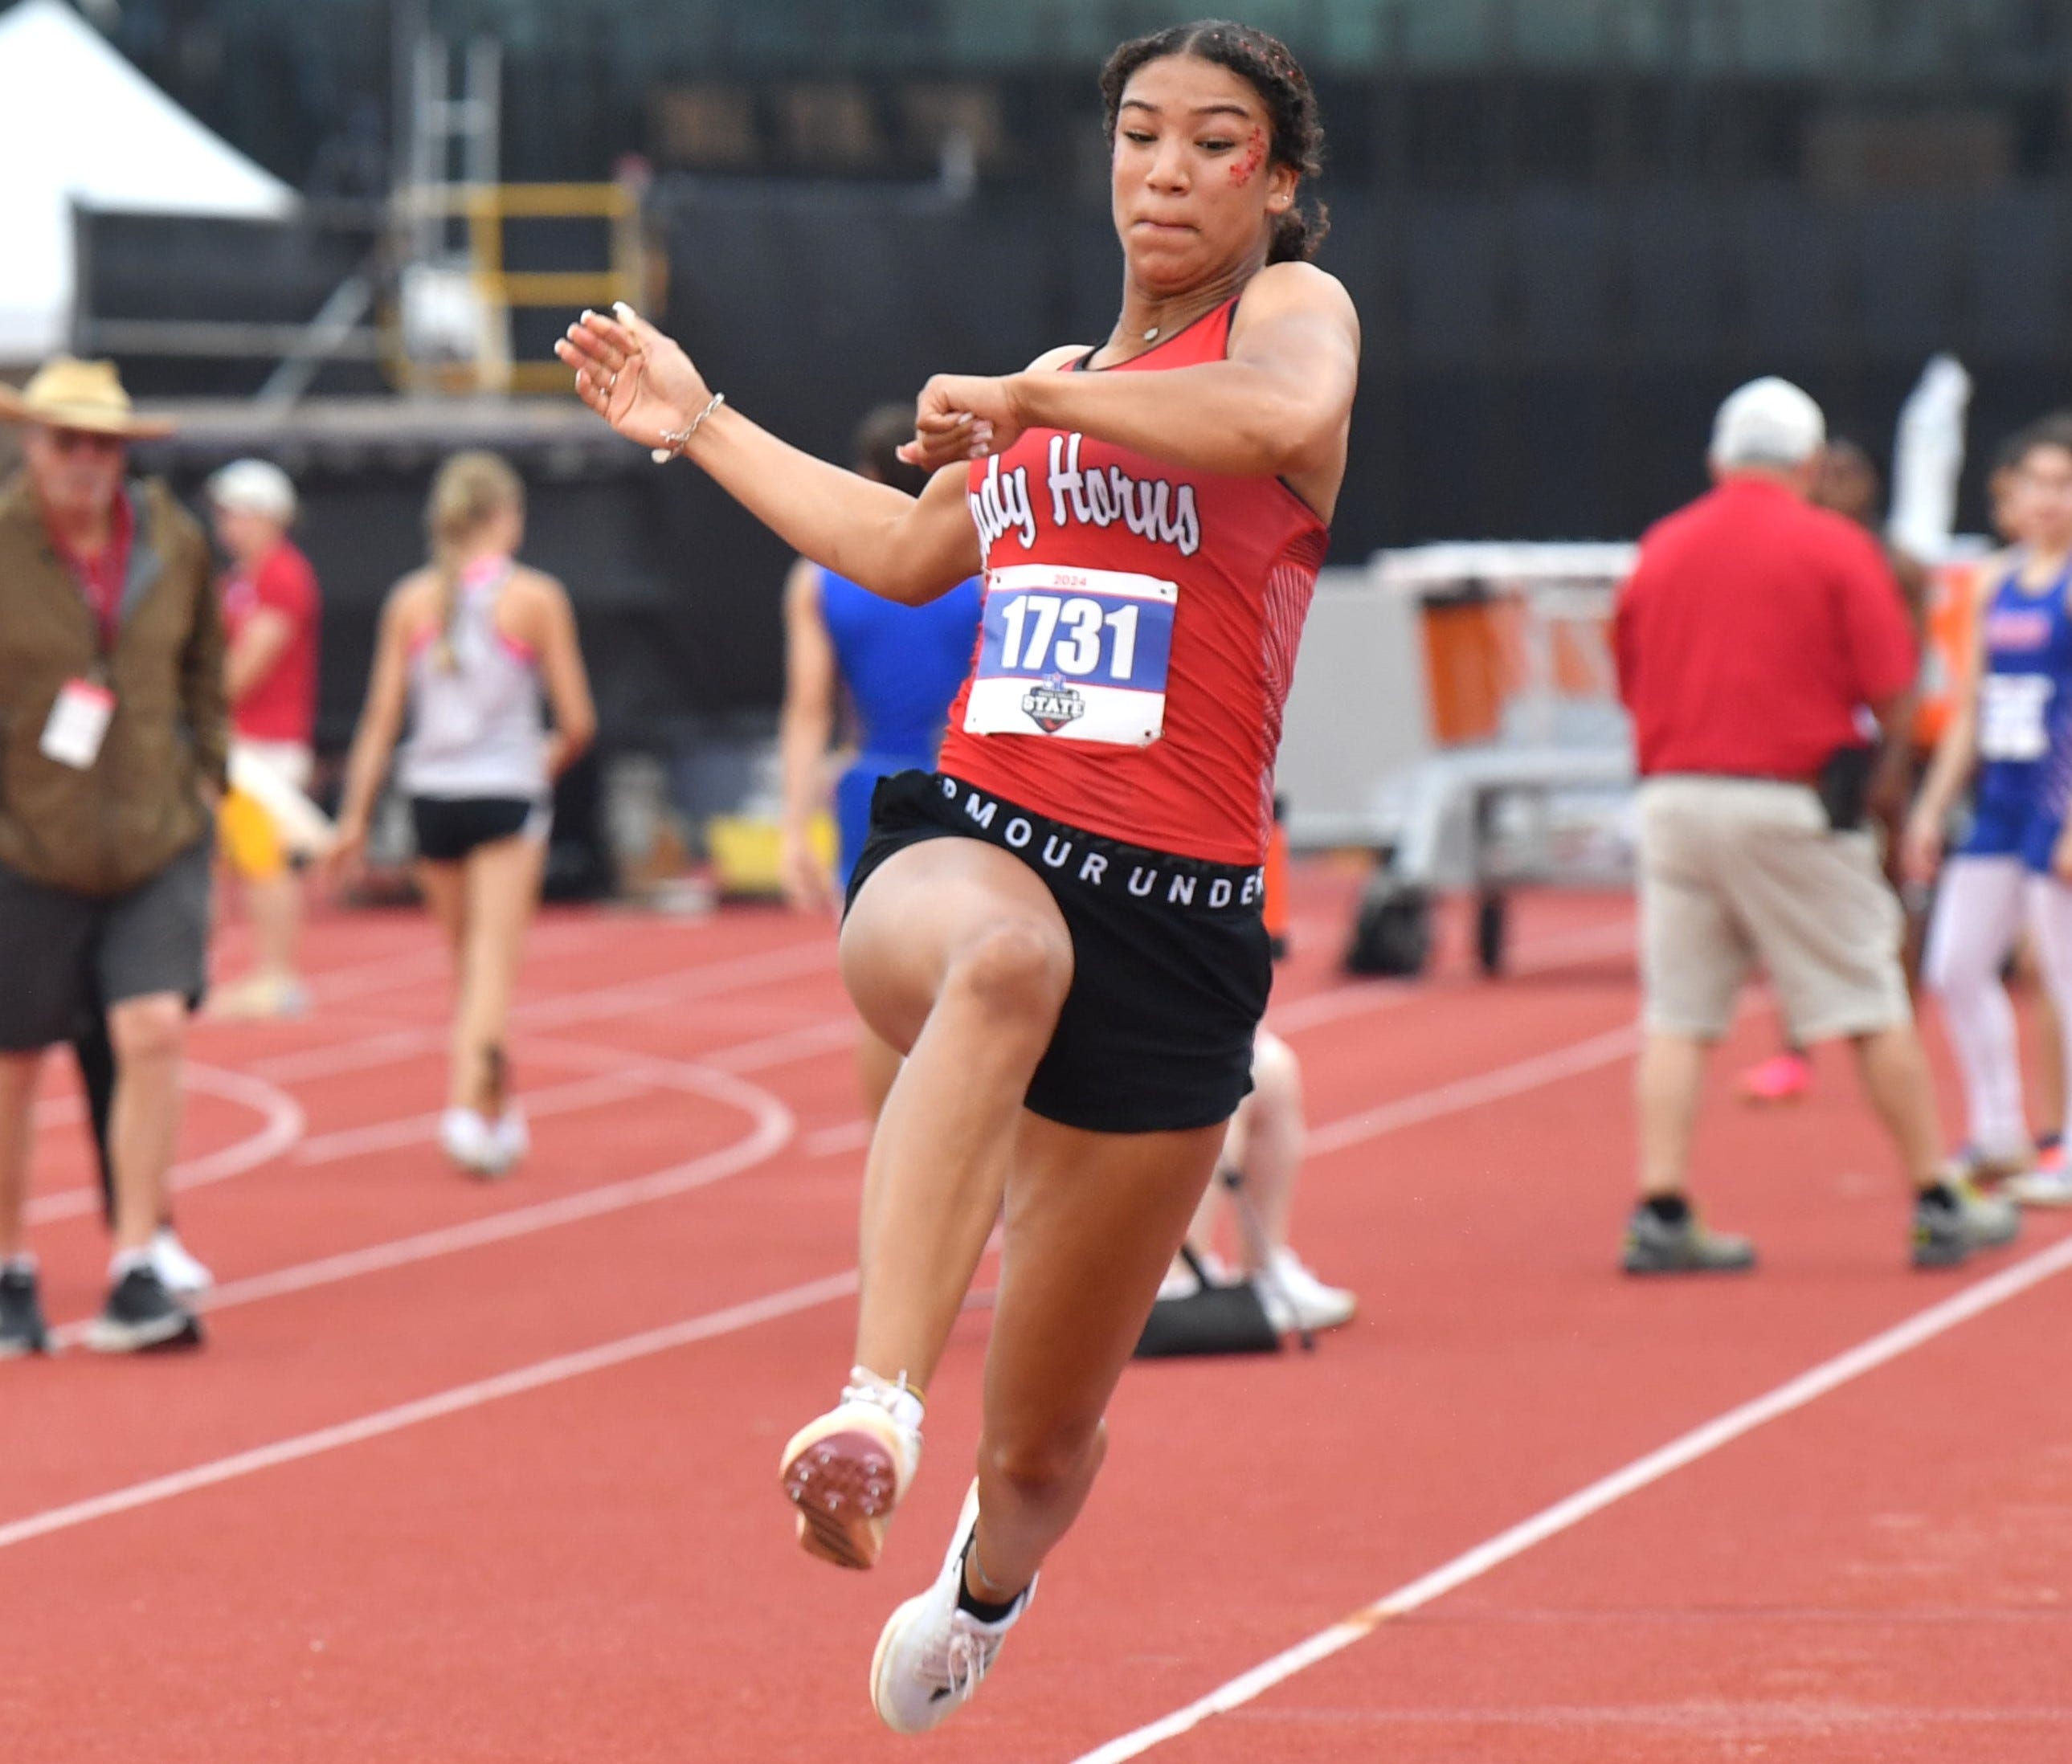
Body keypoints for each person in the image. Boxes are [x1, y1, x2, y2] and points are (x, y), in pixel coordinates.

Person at [560, 18, 1358, 1730]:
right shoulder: (1055, 381)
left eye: (1210, 143)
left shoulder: (1281, 323)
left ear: (1270, 181)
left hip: (1183, 920)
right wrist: (696, 421)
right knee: (1001, 965)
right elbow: (905, 550)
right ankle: (870, 1413)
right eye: (1137, 133)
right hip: (979, 843)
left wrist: (1032, 394)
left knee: (1051, 1440)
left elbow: (1267, 416)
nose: (1163, 167)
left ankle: (982, 1587)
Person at [1612, 375, 2018, 1276]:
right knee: (1868, 998)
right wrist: (1883, 793)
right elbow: (1892, 684)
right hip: (1788, 797)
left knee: (1677, 1015)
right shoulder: (1834, 548)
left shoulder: (1661, 547)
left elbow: (1629, 675)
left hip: (1673, 797)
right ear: (1806, 462)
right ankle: (1933, 1198)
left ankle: (1660, 1206)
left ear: (1718, 460)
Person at [0, 357, 224, 1355]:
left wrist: (204, 777)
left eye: (103, 444)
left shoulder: (173, 544)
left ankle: (138, 1261)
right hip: (25, 840)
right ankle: (10, 1266)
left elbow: (205, 672)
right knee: (13, 1062)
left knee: (151, 1032)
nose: (86, 462)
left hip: (155, 836)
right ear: (31, 445)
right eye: (66, 442)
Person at [331, 452, 596, 1178]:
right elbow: (576, 721)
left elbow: (381, 719)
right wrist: (536, 766)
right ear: (503, 516)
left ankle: (498, 1109)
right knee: (489, 972)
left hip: (430, 799)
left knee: (467, 969)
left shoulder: (410, 601)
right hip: (505, 794)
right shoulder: (534, 598)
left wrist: (354, 818)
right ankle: (460, 1108)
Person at [778, 402, 983, 1117]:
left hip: (871, 786)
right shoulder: (985, 558)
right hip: (971, 780)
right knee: (979, 980)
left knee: (883, 998)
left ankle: (886, 1170)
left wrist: (792, 827)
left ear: (863, 478)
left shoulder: (820, 580)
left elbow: (809, 709)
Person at [1735, 438, 1934, 1106]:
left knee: (1891, 885)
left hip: (1876, 743)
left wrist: (1896, 759)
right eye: (1828, 475)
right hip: (1815, 745)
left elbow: (1910, 668)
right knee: (1795, 892)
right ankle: (1796, 1044)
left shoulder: (1897, 566)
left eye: (1851, 474)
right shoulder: (1794, 555)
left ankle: (1901, 1025)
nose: (1838, 487)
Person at [1905, 416, 2072, 1208]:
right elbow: (1969, 705)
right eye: (2034, 483)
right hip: (1999, 802)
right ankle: (1998, 1126)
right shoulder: (1990, 580)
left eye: (2062, 484)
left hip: (2055, 800)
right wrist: (1930, 809)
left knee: (2063, 981)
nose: (2045, 499)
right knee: (1954, 966)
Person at [206, 458, 323, 1019]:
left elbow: (249, 663)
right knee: (246, 860)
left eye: (238, 514)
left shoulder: (280, 574)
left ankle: (280, 976)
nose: (229, 526)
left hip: (267, 741)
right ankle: (267, 972)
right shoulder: (239, 582)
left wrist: (193, 702)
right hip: (242, 740)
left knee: (265, 861)